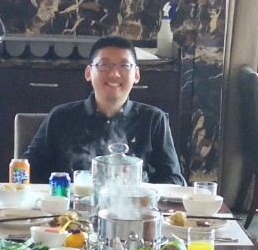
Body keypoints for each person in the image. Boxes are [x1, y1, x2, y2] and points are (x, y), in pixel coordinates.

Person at [22, 35, 185, 185]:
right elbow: (27, 172)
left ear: (136, 75)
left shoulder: (153, 119)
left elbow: (174, 179)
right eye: (104, 65)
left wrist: (142, 194)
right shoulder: (60, 117)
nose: (114, 74)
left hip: (133, 206)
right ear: (88, 73)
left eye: (124, 65)